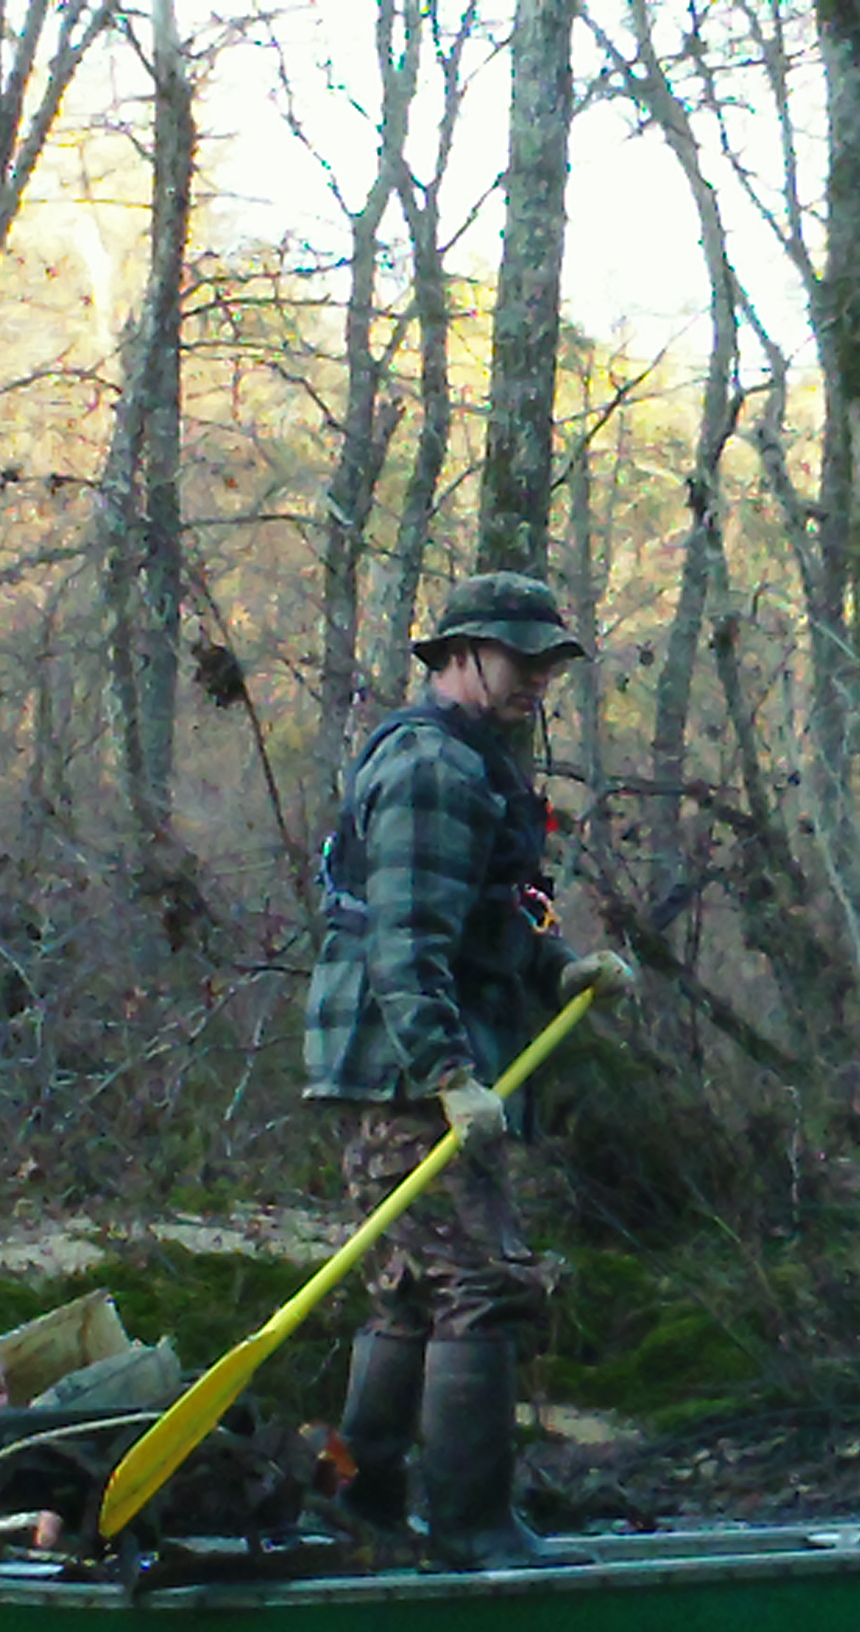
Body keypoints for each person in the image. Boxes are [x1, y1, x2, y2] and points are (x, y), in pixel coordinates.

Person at [303, 570, 635, 1568]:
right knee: (484, 1283)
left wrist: (556, 964)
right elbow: (405, 940)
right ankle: (470, 1528)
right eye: (517, 657)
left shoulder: (478, 766)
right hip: (405, 1071)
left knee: (414, 1290)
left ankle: (359, 1508)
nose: (536, 677)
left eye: (547, 662)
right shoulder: (430, 768)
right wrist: (449, 1073)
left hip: (411, 1065)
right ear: (456, 656)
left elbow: (492, 914)